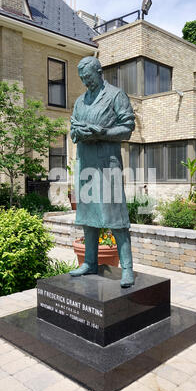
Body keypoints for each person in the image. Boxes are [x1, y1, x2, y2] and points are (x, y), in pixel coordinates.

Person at [69, 56, 135, 288]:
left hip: (107, 164)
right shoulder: (80, 102)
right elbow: (72, 130)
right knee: (88, 217)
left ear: (99, 71)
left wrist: (102, 133)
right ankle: (90, 262)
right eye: (82, 79)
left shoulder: (116, 95)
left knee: (115, 217)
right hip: (86, 163)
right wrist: (78, 132)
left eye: (88, 77)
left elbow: (127, 128)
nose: (86, 82)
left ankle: (127, 268)